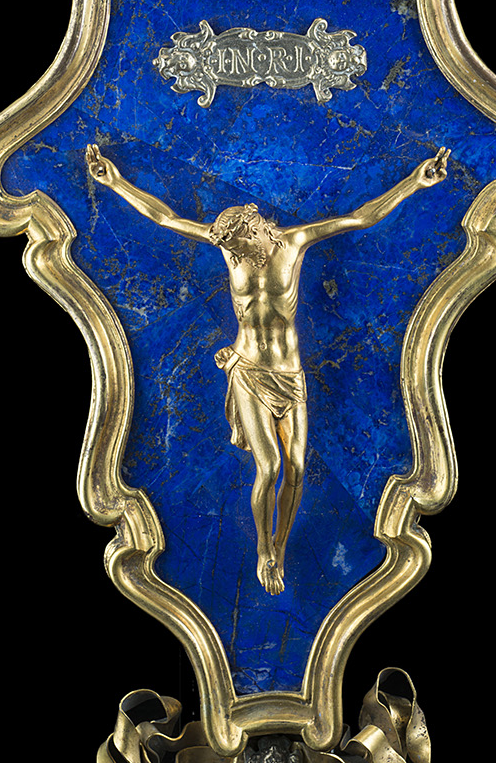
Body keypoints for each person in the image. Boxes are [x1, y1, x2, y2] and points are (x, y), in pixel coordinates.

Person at [86, 142, 450, 595]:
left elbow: (360, 217)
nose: (234, 252)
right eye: (230, 247)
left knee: (295, 466)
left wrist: (415, 182)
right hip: (247, 370)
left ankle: (280, 543)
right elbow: (166, 219)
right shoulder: (230, 250)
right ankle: (264, 549)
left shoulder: (294, 243)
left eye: (239, 244)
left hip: (289, 374)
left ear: (256, 229)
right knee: (270, 465)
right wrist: (116, 182)